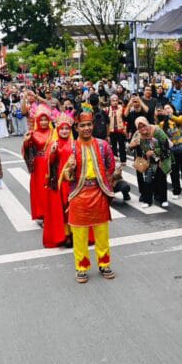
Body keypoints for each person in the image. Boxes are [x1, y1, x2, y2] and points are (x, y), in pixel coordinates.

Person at [60, 110, 116, 283]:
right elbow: (64, 175)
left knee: (102, 232)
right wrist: (69, 168)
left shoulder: (102, 145)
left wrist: (106, 183)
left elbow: (110, 166)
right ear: (76, 128)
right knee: (79, 234)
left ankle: (104, 263)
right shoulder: (70, 147)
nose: (86, 128)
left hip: (98, 192)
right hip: (79, 193)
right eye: (82, 125)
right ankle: (81, 267)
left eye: (89, 124)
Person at [44, 113, 76, 248]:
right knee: (62, 209)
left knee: (74, 207)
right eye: (62, 128)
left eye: (67, 129)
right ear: (58, 130)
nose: (64, 131)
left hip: (74, 182)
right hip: (60, 182)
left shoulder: (75, 144)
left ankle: (76, 233)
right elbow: (49, 164)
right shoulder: (54, 144)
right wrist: (52, 153)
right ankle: (66, 234)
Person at [128, 117, 171, 208]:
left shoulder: (157, 131)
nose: (143, 128)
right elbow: (130, 147)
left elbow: (166, 146)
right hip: (149, 160)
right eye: (140, 127)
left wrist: (155, 152)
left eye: (144, 125)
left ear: (147, 124)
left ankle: (163, 199)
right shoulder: (138, 135)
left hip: (162, 158)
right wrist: (134, 145)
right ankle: (147, 201)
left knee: (161, 179)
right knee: (148, 180)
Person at [22, 105, 53, 220]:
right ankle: (43, 213)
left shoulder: (54, 132)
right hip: (39, 165)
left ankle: (53, 211)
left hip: (52, 164)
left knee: (52, 189)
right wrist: (25, 142)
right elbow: (27, 150)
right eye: (41, 119)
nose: (44, 122)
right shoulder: (33, 133)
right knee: (41, 190)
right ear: (37, 121)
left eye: (45, 119)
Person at [159, 104, 182, 199]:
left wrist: (169, 115)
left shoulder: (180, 118)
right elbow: (162, 136)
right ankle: (176, 191)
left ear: (173, 109)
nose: (167, 110)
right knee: (174, 172)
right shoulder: (162, 124)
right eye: (165, 109)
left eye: (168, 108)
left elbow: (180, 121)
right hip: (172, 151)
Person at [107, 94, 127, 164]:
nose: (115, 102)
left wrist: (125, 128)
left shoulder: (121, 108)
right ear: (110, 101)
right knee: (113, 145)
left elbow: (125, 119)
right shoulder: (108, 109)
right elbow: (107, 121)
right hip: (112, 130)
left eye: (116, 100)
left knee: (122, 145)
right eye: (113, 100)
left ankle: (123, 160)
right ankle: (114, 158)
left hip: (120, 130)